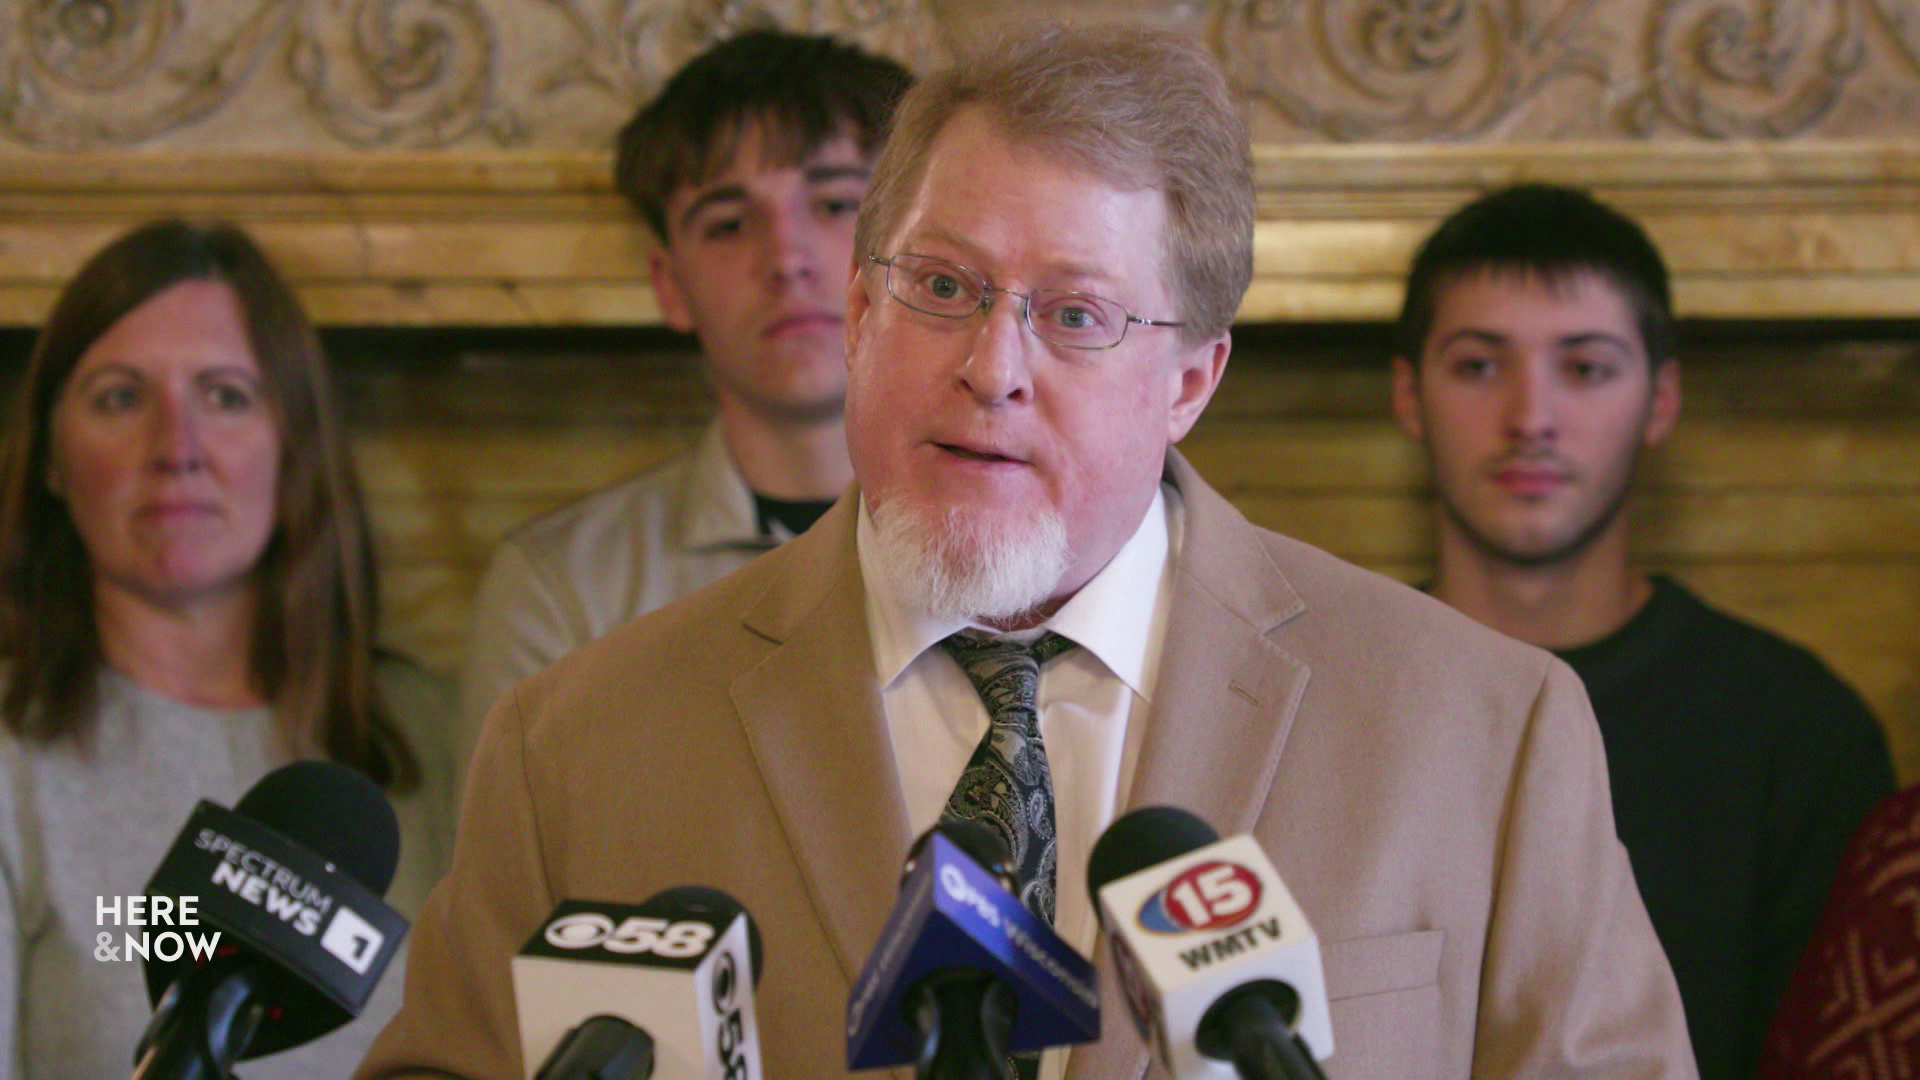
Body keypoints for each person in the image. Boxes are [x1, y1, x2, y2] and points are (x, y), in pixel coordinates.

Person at [360, 24, 1694, 1079]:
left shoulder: (1486, 728)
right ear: (862, 314)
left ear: (1189, 382)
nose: (991, 367)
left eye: (1077, 316)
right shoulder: (576, 745)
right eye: (942, 288)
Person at [1389, 183, 1896, 1080]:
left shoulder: (1799, 731)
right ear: (1409, 395)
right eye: (1478, 366)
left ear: (1660, 400)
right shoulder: (1332, 693)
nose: (1530, 418)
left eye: (1586, 368)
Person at [0, 220, 455, 1078]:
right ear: (51, 460)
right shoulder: (12, 754)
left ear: (294, 444)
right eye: (119, 398)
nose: (177, 449)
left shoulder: (444, 734)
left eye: (226, 396)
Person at [456, 30, 912, 786]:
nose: (786, 257)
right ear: (669, 285)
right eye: (728, 223)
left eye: (835, 203)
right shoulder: (564, 588)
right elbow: (503, 861)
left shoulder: (1013, 538)